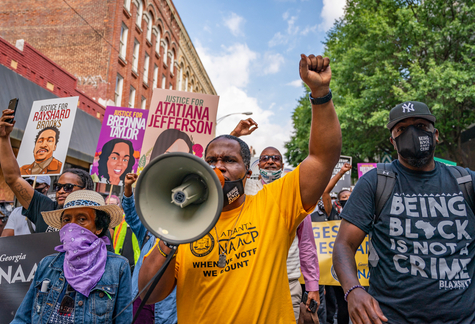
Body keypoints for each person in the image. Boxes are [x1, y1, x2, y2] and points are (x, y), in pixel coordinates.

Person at [138, 53, 342, 323]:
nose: (218, 167)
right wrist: (169, 238)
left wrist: (320, 93)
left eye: (229, 160)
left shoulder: (274, 204)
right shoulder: (182, 224)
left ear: (248, 172)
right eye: (210, 160)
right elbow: (149, 294)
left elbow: (322, 158)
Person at [333, 101, 475, 324]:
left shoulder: (468, 182)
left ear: (435, 135)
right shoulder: (375, 182)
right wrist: (353, 290)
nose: (412, 133)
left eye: (420, 125)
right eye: (402, 129)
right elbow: (344, 245)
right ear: (393, 142)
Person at [0, 110, 114, 249]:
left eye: (68, 187)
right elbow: (13, 178)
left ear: (84, 190)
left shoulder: (97, 222)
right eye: (58, 186)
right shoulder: (44, 207)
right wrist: (4, 138)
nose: (60, 191)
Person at [11, 190, 132, 323]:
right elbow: (23, 318)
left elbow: (123, 320)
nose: (71, 226)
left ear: (98, 227)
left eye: (82, 219)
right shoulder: (47, 264)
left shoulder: (117, 268)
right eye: (66, 220)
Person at [237, 138, 321, 322]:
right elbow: (220, 172)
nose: (270, 161)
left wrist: (312, 286)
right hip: (249, 280)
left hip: (287, 282)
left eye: (275, 158)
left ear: (282, 165)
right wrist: (236, 135)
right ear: (258, 165)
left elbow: (306, 245)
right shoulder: (245, 189)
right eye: (265, 158)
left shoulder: (295, 193)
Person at [122, 173, 178, 324]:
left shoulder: (185, 238)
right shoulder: (147, 233)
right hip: (140, 301)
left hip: (167, 308)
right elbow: (132, 214)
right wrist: (128, 188)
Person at [311, 163, 352, 324]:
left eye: (350, 197)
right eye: (343, 198)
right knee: (328, 304)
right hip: (330, 267)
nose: (347, 200)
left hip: (348, 269)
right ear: (338, 202)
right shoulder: (333, 216)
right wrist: (341, 171)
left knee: (344, 304)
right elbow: (325, 192)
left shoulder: (361, 217)